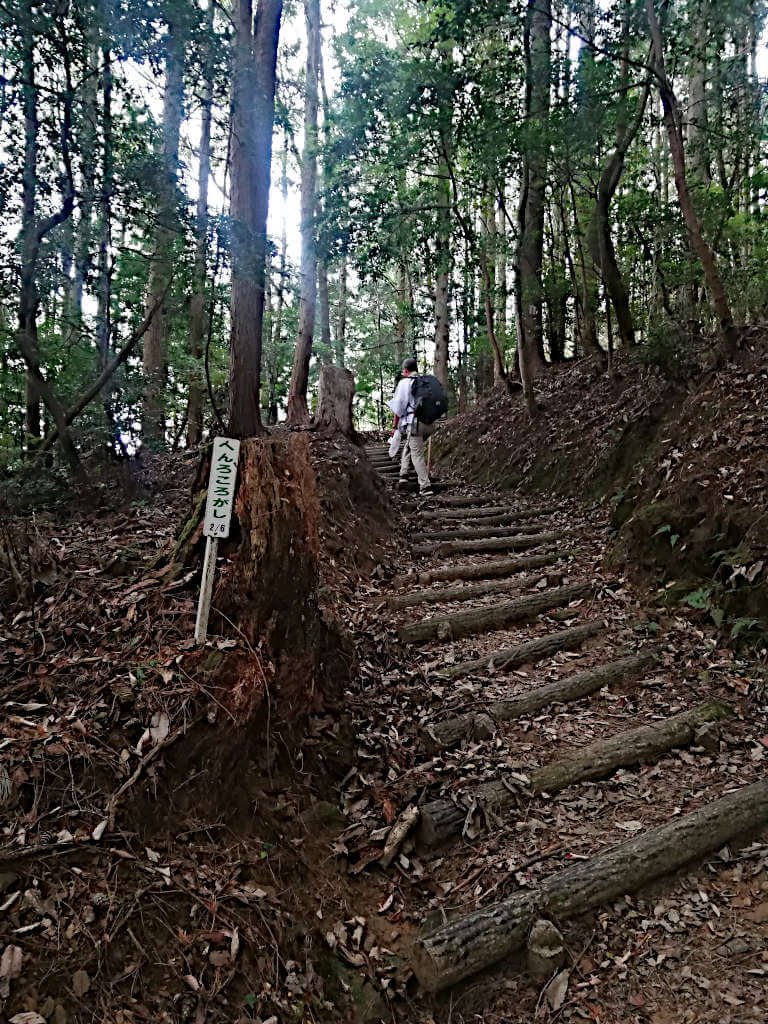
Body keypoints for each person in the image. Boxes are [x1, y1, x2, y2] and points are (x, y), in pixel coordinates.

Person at [387, 358, 435, 496]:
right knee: (411, 444)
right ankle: (404, 473)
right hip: (430, 424)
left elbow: (398, 408)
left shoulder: (404, 383)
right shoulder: (426, 381)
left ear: (406, 371)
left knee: (417, 455)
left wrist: (395, 426)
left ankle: (425, 487)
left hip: (415, 424)